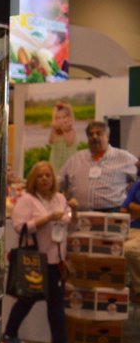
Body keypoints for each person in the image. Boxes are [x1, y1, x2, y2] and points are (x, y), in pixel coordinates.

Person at [2, 161, 79, 343]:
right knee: (28, 299)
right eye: (39, 176)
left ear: (53, 178)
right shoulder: (27, 200)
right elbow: (20, 227)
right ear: (33, 180)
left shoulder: (60, 198)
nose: (44, 179)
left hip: (56, 260)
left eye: (47, 175)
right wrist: (47, 218)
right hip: (35, 260)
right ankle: (10, 335)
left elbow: (70, 225)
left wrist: (74, 211)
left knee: (55, 303)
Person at [59, 120, 137, 212]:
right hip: (80, 215)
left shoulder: (125, 158)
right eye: (90, 134)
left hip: (113, 214)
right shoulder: (75, 159)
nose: (94, 137)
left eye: (99, 133)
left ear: (107, 136)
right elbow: (58, 182)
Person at [47, 100, 77, 174]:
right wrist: (54, 128)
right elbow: (50, 141)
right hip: (56, 160)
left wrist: (64, 130)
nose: (61, 120)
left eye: (64, 117)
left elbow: (69, 143)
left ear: (69, 118)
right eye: (58, 118)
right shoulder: (55, 131)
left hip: (67, 160)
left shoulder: (71, 131)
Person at [123, 168, 140, 296]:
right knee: (111, 247)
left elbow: (131, 207)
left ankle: (138, 288)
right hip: (131, 228)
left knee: (127, 248)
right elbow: (124, 208)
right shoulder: (138, 184)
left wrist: (134, 207)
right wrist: (132, 208)